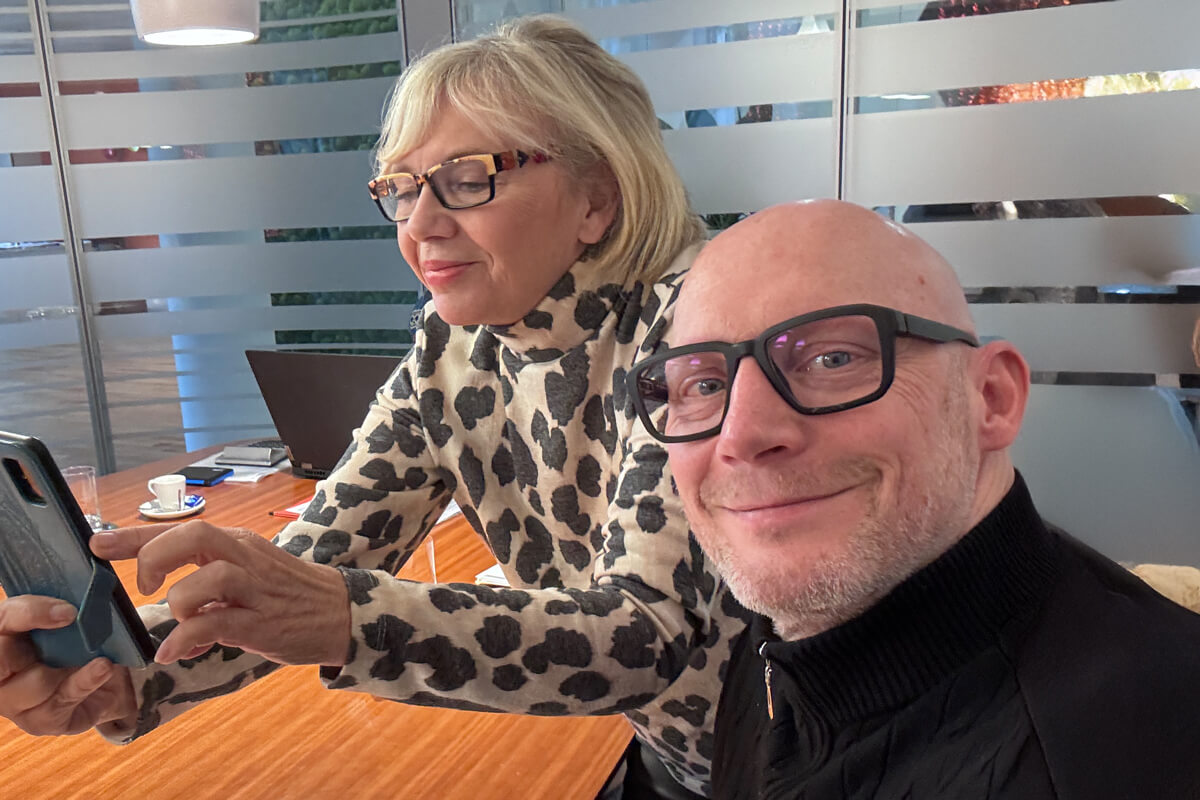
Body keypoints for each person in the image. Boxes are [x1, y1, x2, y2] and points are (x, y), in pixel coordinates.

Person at [0, 17, 741, 799]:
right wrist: (119, 674)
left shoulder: (700, 327)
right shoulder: (455, 346)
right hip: (672, 757)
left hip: (791, 759)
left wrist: (347, 618)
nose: (420, 225)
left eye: (468, 179)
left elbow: (640, 638)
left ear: (596, 197)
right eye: (402, 188)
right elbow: (316, 565)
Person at [626, 199, 1200, 799]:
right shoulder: (786, 639)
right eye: (705, 384)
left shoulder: (1142, 758)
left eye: (831, 358)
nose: (740, 435)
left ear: (991, 398)